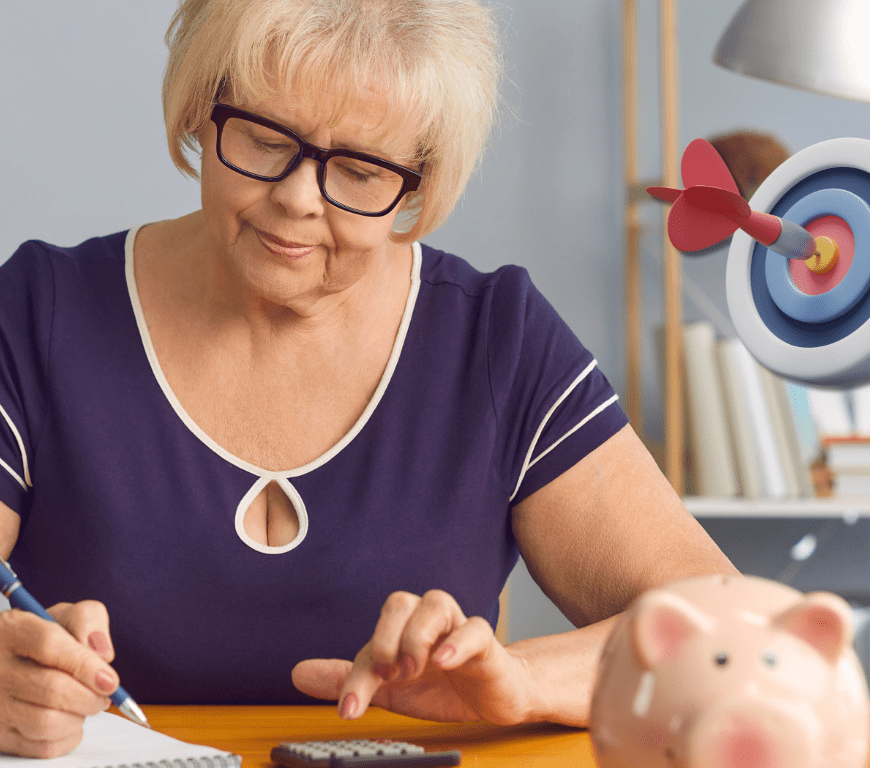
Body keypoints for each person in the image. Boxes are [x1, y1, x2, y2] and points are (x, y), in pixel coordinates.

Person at [0, 0, 738, 758]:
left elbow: (728, 625)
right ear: (199, 107)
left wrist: (520, 679)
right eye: (261, 137)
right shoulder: (36, 314)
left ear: (420, 180)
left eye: (358, 170)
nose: (296, 198)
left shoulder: (495, 341)